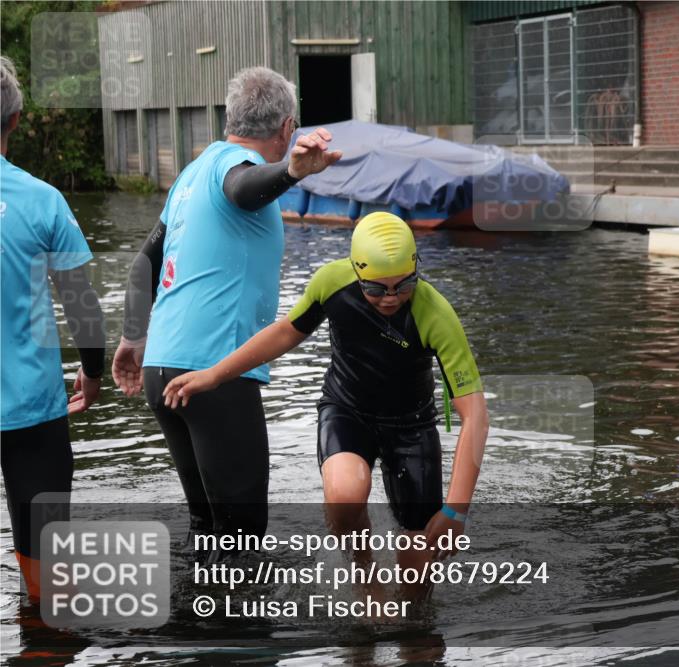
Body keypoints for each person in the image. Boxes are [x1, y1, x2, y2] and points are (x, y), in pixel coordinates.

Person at [162, 212, 489, 597]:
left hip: (411, 425)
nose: (390, 298)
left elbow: (475, 415)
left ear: (418, 268)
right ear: (355, 271)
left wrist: (455, 511)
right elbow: (286, 332)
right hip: (347, 410)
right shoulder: (332, 283)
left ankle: (415, 632)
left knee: (419, 573)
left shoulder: (436, 314)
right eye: (375, 289)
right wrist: (214, 374)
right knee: (345, 494)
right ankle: (365, 575)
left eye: (404, 286)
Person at [112, 66, 340, 550]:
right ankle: (237, 626)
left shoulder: (191, 174)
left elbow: (141, 265)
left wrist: (133, 339)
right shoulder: (232, 167)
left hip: (161, 368)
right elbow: (244, 187)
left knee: (208, 529)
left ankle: (196, 621)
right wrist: (294, 171)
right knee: (241, 538)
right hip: (213, 371)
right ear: (286, 128)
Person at [0, 55, 106, 599]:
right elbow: (81, 303)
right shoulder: (43, 201)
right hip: (32, 406)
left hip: (32, 408)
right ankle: (45, 645)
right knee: (46, 568)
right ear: (15, 120)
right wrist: (92, 374)